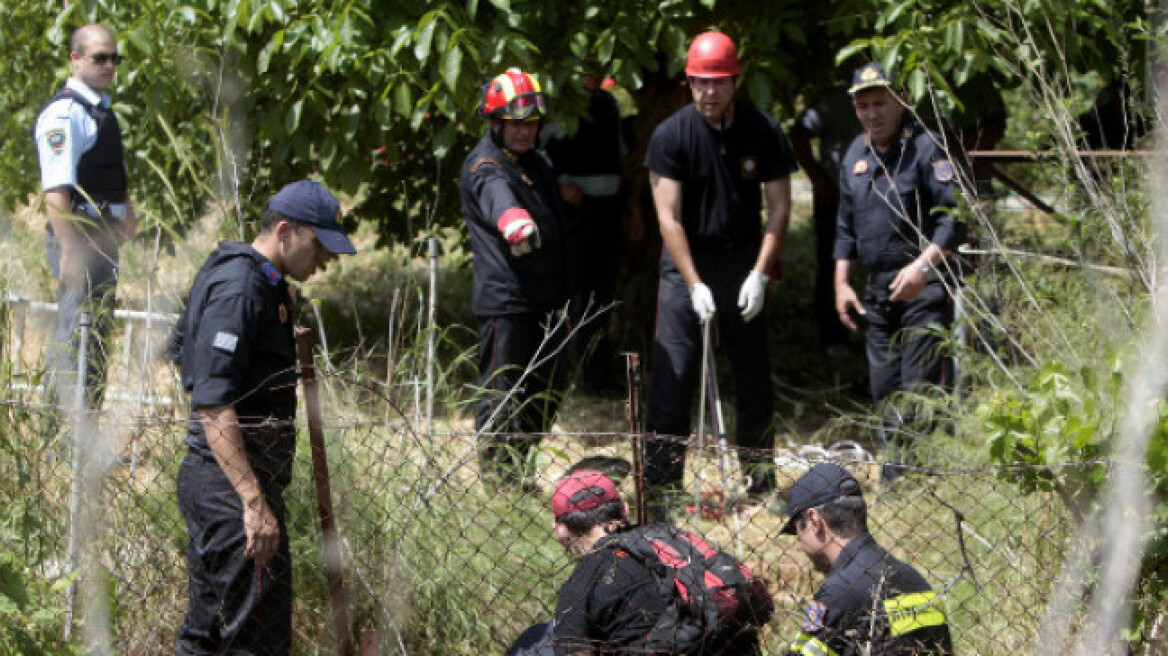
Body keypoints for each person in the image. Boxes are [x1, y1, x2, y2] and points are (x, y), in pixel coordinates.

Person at [170, 181, 357, 655]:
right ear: (285, 230)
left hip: (226, 480)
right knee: (256, 639)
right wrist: (252, 502)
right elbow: (213, 403)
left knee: (209, 634)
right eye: (319, 245)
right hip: (231, 485)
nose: (325, 260)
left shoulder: (254, 282)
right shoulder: (240, 288)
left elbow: (181, 350)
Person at [643, 31, 797, 508]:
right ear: (688, 82)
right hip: (684, 262)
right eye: (700, 83)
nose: (710, 93)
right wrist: (693, 284)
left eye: (720, 83)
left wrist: (759, 271)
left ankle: (759, 479)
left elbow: (779, 207)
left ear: (735, 81)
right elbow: (667, 218)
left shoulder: (763, 131)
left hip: (742, 260)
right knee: (675, 372)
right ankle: (663, 484)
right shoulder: (671, 136)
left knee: (753, 374)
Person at [833, 63, 966, 477]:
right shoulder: (855, 153)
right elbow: (844, 227)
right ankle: (895, 480)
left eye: (880, 103)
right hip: (877, 290)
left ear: (900, 100)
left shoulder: (927, 148)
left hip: (924, 287)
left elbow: (953, 220)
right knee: (884, 388)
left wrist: (922, 268)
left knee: (920, 387)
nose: (873, 114)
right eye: (864, 105)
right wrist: (841, 283)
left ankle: (924, 481)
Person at [459, 68, 569, 484]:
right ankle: (499, 480)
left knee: (544, 391)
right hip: (507, 301)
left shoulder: (536, 163)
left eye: (531, 123)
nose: (525, 131)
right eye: (515, 124)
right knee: (501, 392)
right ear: (496, 123)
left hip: (547, 297)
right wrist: (513, 222)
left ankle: (521, 467)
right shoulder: (485, 164)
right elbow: (496, 194)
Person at [35, 23, 137, 412]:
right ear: (76, 59)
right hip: (80, 238)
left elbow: (109, 172)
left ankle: (85, 431)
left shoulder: (100, 110)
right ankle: (59, 440)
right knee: (74, 335)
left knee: (96, 336)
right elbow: (57, 191)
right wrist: (68, 251)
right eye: (100, 58)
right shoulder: (65, 115)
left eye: (114, 58)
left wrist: (127, 213)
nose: (109, 65)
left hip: (104, 237)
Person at [550, 470, 764, 655]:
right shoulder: (672, 539)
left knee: (540, 638)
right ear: (625, 510)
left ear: (560, 529)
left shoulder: (581, 581)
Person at [782, 462, 953, 655]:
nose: (799, 542)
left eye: (797, 530)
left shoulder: (839, 591)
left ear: (814, 521)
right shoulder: (914, 579)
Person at [544, 71, 625, 394]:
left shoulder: (608, 102)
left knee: (600, 297)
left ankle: (597, 376)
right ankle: (552, 374)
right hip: (572, 214)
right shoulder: (557, 102)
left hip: (607, 209)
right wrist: (558, 189)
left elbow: (619, 154)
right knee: (564, 294)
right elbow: (534, 154)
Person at [789, 85, 862, 354]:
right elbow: (798, 133)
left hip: (878, 199)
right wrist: (818, 179)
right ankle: (834, 336)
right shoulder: (834, 100)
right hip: (835, 196)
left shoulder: (897, 97)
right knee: (831, 262)